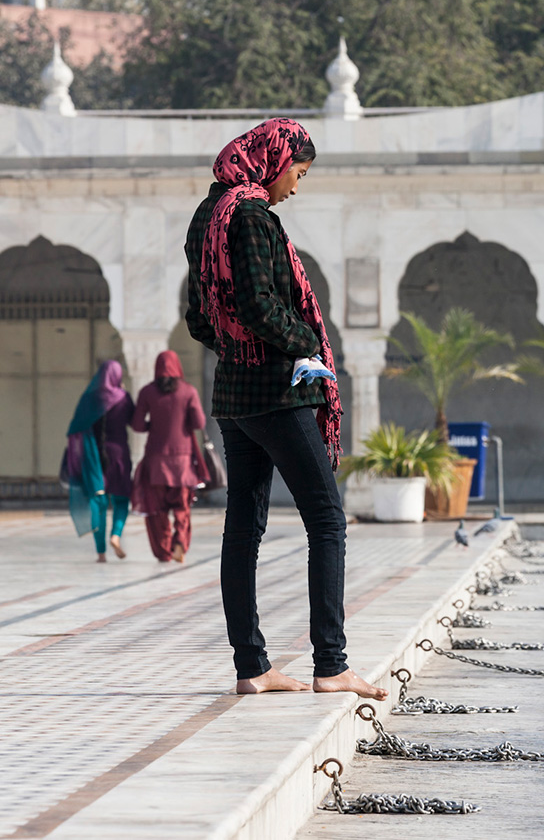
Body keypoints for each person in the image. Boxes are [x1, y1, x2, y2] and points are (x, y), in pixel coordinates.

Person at [184, 118, 386, 700]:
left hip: (235, 394)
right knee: (326, 519)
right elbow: (255, 302)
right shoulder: (250, 217)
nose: (296, 187)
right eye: (297, 172)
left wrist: (239, 349)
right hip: (278, 392)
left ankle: (252, 667)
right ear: (274, 161)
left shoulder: (207, 216)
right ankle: (333, 664)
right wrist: (307, 345)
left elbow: (204, 316)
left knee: (243, 528)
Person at [132, 350, 210, 563]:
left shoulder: (147, 392)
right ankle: (180, 543)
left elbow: (137, 425)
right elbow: (199, 424)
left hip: (156, 461)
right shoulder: (188, 391)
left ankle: (164, 551)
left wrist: (153, 426)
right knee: (182, 508)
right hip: (183, 462)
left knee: (157, 510)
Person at [64, 359, 135, 562]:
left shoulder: (89, 398)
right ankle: (116, 535)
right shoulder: (123, 397)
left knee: (99, 501)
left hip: (94, 456)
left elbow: (76, 428)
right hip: (119, 454)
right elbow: (135, 422)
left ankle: (101, 553)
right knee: (121, 499)